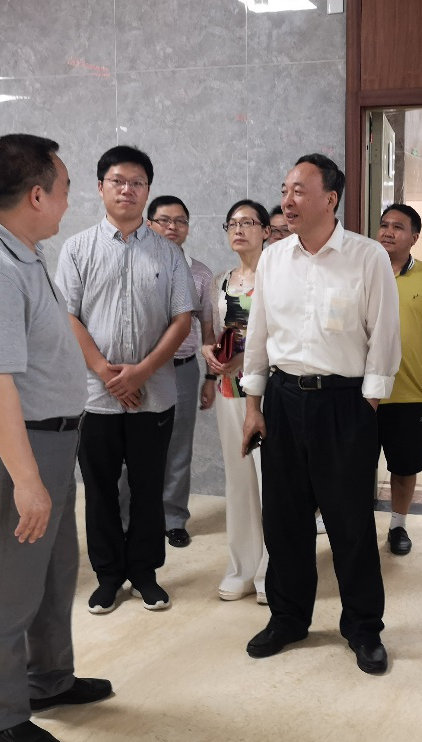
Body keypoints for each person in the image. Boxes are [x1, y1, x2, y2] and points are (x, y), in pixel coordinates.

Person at [0, 134, 111, 742]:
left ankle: (49, 679)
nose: (69, 200)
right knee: (7, 584)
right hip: (12, 447)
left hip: (48, 440)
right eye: (64, 188)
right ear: (37, 195)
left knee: (54, 570)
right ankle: (0, 717)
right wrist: (27, 479)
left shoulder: (24, 254)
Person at [239, 153, 400, 674]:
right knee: (284, 519)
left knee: (350, 522)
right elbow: (259, 336)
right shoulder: (273, 259)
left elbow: (384, 334)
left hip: (344, 403)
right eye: (285, 189)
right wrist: (254, 405)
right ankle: (288, 618)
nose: (287, 201)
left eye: (299, 191)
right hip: (284, 400)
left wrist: (367, 402)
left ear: (330, 199)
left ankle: (363, 627)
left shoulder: (366, 256)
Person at [54, 147, 195, 614]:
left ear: (147, 190)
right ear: (100, 188)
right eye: (118, 181)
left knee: (149, 488)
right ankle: (109, 576)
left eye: (137, 182)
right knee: (100, 490)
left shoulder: (168, 253)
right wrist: (105, 371)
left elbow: (182, 319)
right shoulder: (77, 249)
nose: (127, 190)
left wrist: (143, 371)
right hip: (95, 397)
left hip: (154, 394)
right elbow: (67, 316)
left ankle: (145, 573)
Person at [202, 199, 271, 603]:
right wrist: (209, 355)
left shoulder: (277, 276)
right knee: (239, 479)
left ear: (266, 231)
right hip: (230, 390)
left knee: (270, 481)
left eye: (248, 222)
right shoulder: (221, 281)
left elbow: (284, 333)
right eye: (232, 224)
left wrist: (247, 359)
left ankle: (271, 570)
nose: (239, 230)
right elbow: (214, 333)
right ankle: (242, 567)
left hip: (269, 392)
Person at [375, 203, 422, 555]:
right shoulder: (365, 269)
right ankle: (350, 524)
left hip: (407, 391)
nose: (388, 232)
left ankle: (398, 525)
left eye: (398, 227)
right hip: (360, 392)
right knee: (352, 464)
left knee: (404, 466)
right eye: (384, 225)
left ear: (414, 237)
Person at [140, 195, 216, 548]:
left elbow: (209, 330)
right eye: (164, 220)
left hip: (183, 370)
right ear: (149, 224)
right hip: (141, 371)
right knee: (133, 444)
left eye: (180, 221)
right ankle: (133, 517)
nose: (173, 227)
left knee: (178, 445)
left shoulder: (199, 273)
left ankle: (173, 517)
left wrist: (211, 377)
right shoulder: (134, 265)